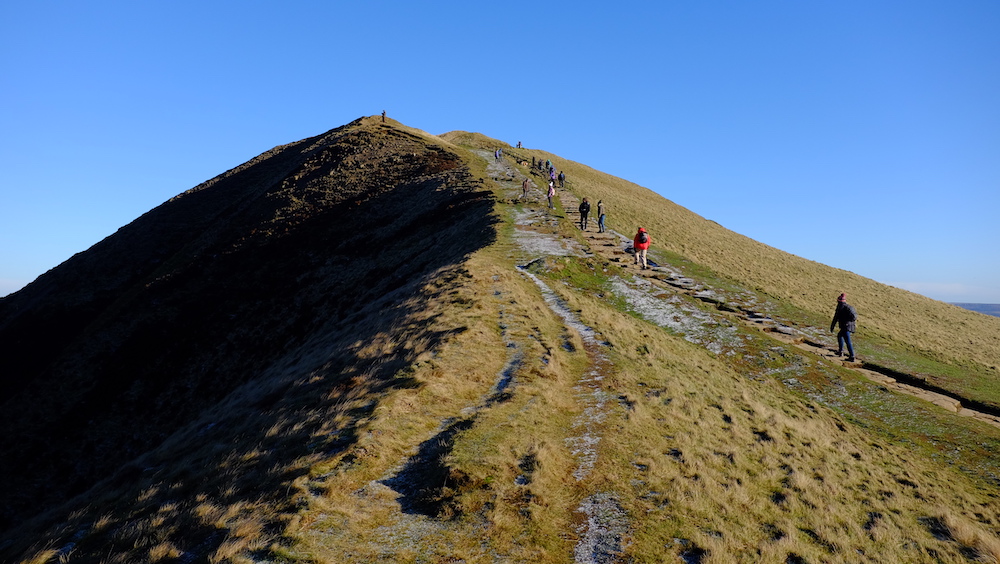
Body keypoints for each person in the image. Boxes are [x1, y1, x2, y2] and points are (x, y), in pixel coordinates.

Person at [830, 293, 858, 361]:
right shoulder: (848, 307)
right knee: (840, 336)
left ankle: (852, 356)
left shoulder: (840, 307)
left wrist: (832, 326)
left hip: (845, 327)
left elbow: (836, 317)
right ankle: (841, 351)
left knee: (847, 341)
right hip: (850, 326)